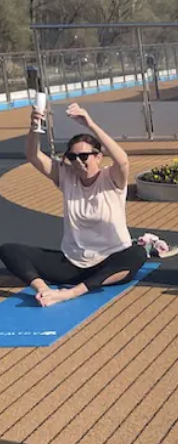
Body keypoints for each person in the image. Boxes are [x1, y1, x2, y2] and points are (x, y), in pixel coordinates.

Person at [0, 104, 146, 308]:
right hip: (72, 265)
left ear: (98, 156)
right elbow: (34, 156)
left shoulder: (111, 179)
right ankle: (44, 291)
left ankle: (71, 293)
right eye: (72, 157)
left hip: (109, 263)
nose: (78, 162)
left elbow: (122, 161)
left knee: (137, 254)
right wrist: (34, 126)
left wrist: (90, 123)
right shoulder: (66, 177)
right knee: (9, 250)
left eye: (84, 156)